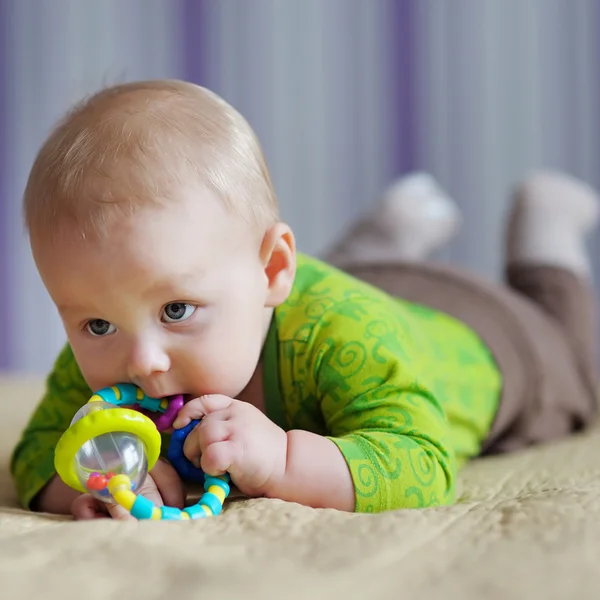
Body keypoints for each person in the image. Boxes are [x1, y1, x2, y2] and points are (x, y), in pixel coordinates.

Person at [10, 80, 599, 520]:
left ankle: (546, 227)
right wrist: (90, 482)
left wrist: (283, 460)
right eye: (95, 324)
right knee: (346, 281)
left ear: (272, 270)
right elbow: (35, 454)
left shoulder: (345, 337)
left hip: (485, 332)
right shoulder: (116, 345)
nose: (142, 362)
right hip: (345, 286)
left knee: (575, 359)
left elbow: (424, 466)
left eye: (176, 311)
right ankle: (378, 244)